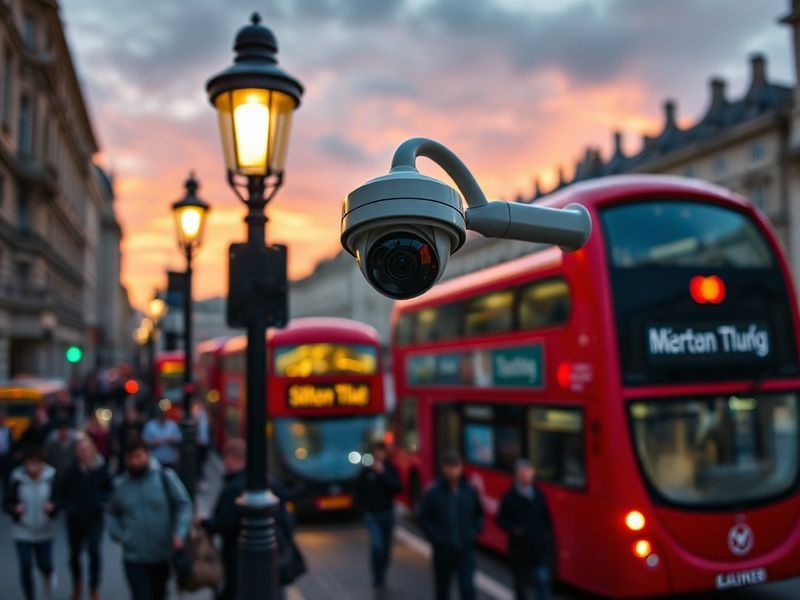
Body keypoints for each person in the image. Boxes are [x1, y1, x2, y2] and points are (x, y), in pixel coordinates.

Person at [200, 438, 294, 600]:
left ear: (232, 458)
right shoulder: (273, 482)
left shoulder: (234, 488)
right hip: (276, 554)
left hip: (239, 557)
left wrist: (204, 523)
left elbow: (225, 522)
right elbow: (286, 518)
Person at [108, 438, 192, 600]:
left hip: (161, 555)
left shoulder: (165, 477)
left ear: (147, 455)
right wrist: (120, 535)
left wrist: (180, 533)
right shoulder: (120, 485)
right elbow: (111, 513)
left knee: (158, 594)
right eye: (130, 458)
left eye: (138, 456)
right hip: (133, 557)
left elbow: (184, 504)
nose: (135, 462)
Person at [419, 451, 484, 600]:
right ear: (443, 468)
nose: (452, 471)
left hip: (465, 551)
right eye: (449, 466)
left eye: (455, 466)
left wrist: (473, 533)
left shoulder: (469, 491)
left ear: (461, 468)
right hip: (443, 553)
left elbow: (479, 514)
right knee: (442, 590)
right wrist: (437, 538)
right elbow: (424, 518)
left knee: (467, 588)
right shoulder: (433, 492)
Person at [60, 437, 113, 600]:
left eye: (87, 449)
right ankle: (77, 584)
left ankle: (94, 587)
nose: (84, 453)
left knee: (94, 551)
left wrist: (100, 501)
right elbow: (62, 493)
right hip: (75, 520)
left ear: (93, 450)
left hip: (95, 518)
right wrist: (70, 507)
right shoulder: (70, 470)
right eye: (81, 450)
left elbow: (109, 489)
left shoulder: (101, 468)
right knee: (74, 554)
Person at [3, 447, 58, 600]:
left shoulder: (51, 477)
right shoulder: (17, 479)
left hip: (44, 528)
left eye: (36, 463)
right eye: (29, 463)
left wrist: (53, 507)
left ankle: (49, 573)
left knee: (44, 563)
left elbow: (60, 499)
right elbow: (6, 503)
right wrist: (14, 509)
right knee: (26, 565)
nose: (32, 467)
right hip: (22, 529)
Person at [497, 459, 553, 600]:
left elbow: (547, 519)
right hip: (519, 551)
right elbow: (501, 520)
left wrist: (545, 537)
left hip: (538, 550)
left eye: (530, 473)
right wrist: (514, 530)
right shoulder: (509, 497)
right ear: (517, 476)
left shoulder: (539, 495)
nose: (528, 476)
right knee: (521, 587)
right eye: (524, 473)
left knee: (542, 583)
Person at [355, 441, 402, 597]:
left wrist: (383, 474)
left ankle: (382, 576)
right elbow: (359, 490)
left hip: (387, 514)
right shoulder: (366, 470)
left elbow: (397, 488)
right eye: (376, 451)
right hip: (372, 515)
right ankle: (377, 580)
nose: (379, 454)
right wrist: (363, 510)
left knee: (386, 551)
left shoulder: (390, 468)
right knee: (377, 547)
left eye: (382, 451)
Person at [43, 418, 78, 490]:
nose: (63, 432)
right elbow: (47, 457)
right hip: (56, 474)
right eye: (61, 430)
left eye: (65, 430)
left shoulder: (74, 444)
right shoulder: (51, 445)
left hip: (71, 475)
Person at [114, 406, 142, 474]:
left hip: (137, 452)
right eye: (128, 414)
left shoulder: (140, 426)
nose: (130, 416)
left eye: (132, 413)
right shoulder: (121, 427)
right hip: (124, 453)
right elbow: (117, 440)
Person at [192, 400, 210, 485]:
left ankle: (200, 480)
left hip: (203, 444)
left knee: (201, 463)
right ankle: (199, 480)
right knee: (198, 463)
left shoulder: (203, 415)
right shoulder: (199, 416)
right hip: (199, 443)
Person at [0, 409, 13, 488]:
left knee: (6, 479)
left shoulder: (8, 430)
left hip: (6, 458)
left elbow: (11, 444)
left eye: (2, 418)